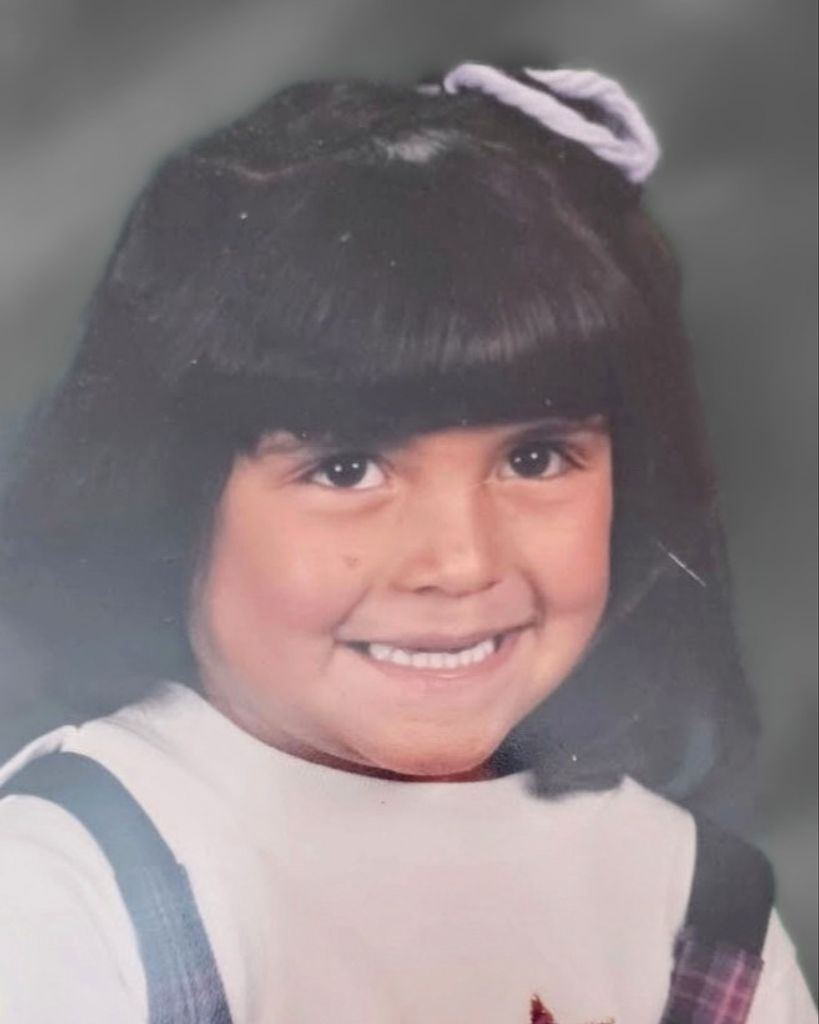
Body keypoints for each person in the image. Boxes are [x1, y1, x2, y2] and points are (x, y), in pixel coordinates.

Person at [0, 62, 814, 1024]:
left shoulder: (691, 904)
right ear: (169, 495)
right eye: (347, 470)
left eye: (535, 459)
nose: (460, 564)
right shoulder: (68, 882)